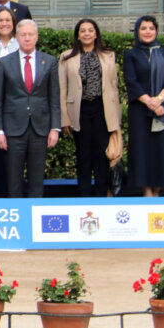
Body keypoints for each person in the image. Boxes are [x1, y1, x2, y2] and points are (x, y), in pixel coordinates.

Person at [0, 19, 60, 197]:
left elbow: (54, 98)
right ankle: (17, 211)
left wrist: (55, 128)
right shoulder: (4, 63)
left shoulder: (49, 61)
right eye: (23, 35)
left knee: (37, 179)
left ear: (37, 37)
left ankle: (34, 211)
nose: (27, 38)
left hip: (40, 128)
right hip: (13, 129)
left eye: (31, 34)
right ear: (16, 37)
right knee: (13, 180)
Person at [59, 19, 122, 197]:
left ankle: (102, 198)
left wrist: (116, 119)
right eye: (83, 31)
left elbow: (114, 87)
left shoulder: (108, 55)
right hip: (79, 111)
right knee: (83, 156)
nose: (86, 33)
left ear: (96, 34)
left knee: (102, 157)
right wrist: (64, 118)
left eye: (90, 30)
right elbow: (62, 89)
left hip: (102, 110)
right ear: (78, 35)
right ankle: (84, 198)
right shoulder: (66, 57)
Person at [124, 15, 164, 197]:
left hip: (163, 109)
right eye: (143, 28)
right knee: (142, 150)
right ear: (137, 31)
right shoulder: (131, 54)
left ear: (156, 31)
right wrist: (150, 103)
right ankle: (146, 192)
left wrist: (159, 99)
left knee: (161, 149)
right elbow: (131, 82)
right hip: (140, 110)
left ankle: (157, 191)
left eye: (151, 28)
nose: (148, 32)